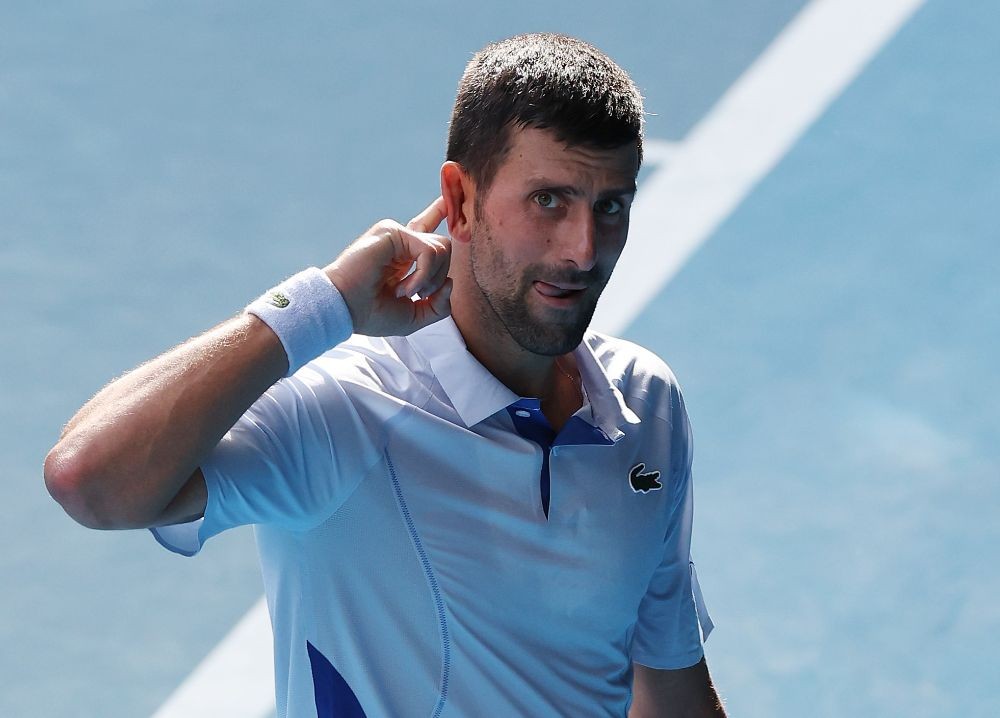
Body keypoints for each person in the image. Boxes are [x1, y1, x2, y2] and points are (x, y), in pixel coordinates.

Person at [45, 33, 726, 717]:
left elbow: (671, 692)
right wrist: (326, 303)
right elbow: (89, 479)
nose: (582, 250)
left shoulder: (645, 403)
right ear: (460, 200)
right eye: (548, 200)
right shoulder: (345, 412)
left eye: (610, 206)